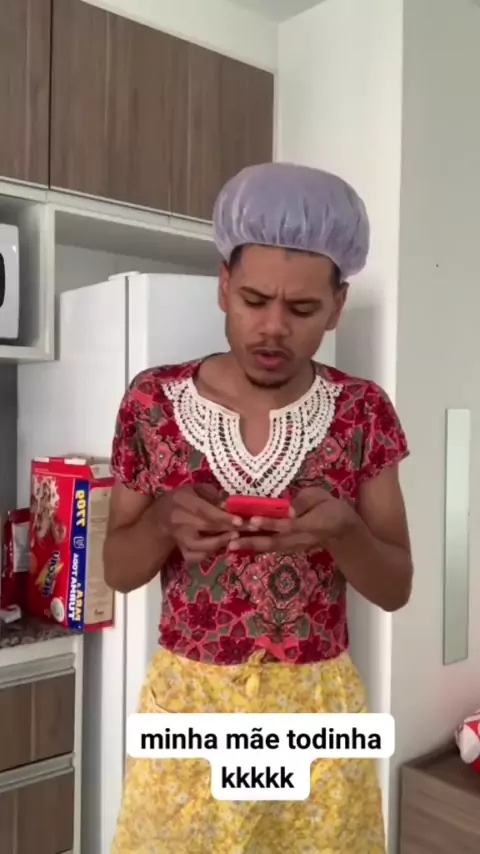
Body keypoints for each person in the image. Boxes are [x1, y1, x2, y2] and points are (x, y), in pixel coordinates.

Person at [106, 163, 413, 854]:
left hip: (316, 720)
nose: (273, 329)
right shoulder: (152, 403)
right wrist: (162, 521)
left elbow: (396, 586)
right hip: (189, 717)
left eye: (302, 310)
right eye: (252, 300)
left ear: (337, 305)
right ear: (223, 284)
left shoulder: (363, 412)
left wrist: (345, 531)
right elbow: (118, 572)